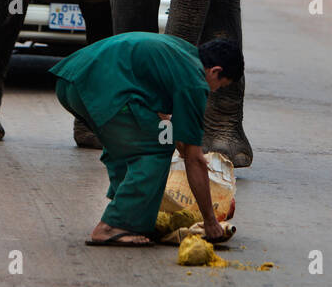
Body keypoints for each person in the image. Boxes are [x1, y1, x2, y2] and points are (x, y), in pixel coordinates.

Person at [50, 32, 241, 247]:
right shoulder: (196, 82)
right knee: (156, 149)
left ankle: (130, 212)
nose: (215, 91)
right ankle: (112, 226)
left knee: (134, 139)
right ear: (215, 71)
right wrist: (210, 221)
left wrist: (179, 141)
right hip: (98, 89)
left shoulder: (185, 54)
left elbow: (167, 122)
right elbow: (194, 158)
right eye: (221, 85)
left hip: (71, 81)